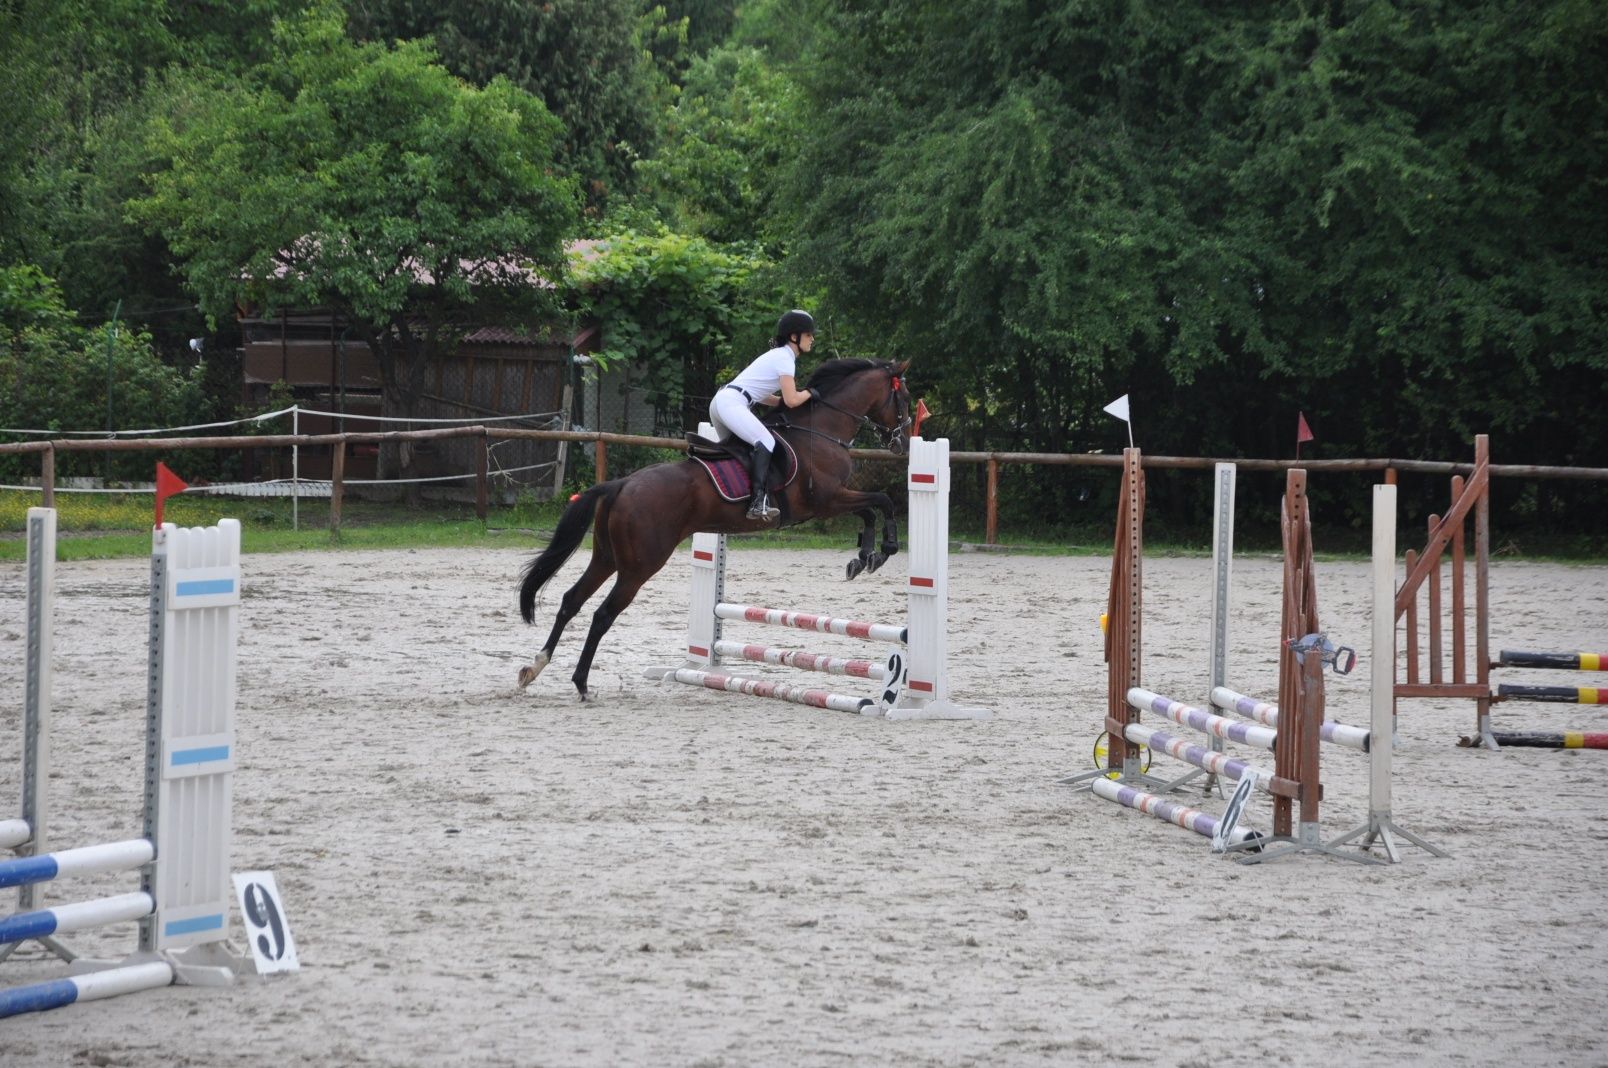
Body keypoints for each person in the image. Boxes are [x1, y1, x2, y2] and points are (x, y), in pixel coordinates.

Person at [709, 309, 818, 522]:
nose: (812, 339)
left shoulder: (776, 355)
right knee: (766, 441)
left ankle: (730, 497)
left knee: (738, 451)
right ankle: (758, 502)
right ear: (794, 337)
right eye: (808, 334)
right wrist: (810, 393)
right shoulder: (786, 358)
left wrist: (784, 399)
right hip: (732, 403)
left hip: (724, 401)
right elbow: (792, 400)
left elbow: (765, 396)